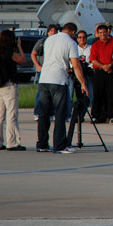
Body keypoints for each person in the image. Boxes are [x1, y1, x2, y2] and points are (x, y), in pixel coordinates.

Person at [36, 22, 88, 153]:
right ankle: (60, 145)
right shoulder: (70, 43)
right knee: (60, 113)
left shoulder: (49, 40)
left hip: (44, 79)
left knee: (44, 113)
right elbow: (75, 65)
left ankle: (42, 144)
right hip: (58, 80)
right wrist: (83, 83)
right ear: (72, 32)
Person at [0, 30, 27, 151]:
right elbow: (22, 60)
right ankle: (12, 142)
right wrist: (19, 46)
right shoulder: (9, 52)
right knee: (12, 114)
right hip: (9, 85)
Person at [90, 23, 113, 124]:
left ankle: (111, 115)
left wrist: (110, 66)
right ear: (97, 33)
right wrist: (104, 66)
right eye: (100, 32)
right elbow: (93, 59)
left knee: (111, 95)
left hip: (111, 71)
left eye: (104, 32)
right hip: (99, 72)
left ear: (108, 32)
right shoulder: (95, 44)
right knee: (98, 95)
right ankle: (97, 115)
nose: (103, 34)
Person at [31, 24, 59, 121]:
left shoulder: (59, 43)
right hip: (43, 71)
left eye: (55, 31)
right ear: (48, 32)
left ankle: (51, 113)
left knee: (53, 93)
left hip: (54, 71)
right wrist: (38, 66)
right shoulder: (42, 42)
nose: (53, 33)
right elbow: (33, 54)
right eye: (51, 31)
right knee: (41, 92)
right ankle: (38, 112)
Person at [76, 30, 94, 111]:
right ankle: (80, 114)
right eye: (80, 37)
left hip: (89, 73)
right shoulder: (74, 48)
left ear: (86, 38)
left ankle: (94, 114)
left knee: (91, 94)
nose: (82, 39)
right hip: (77, 74)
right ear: (77, 39)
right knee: (80, 96)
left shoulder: (91, 48)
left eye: (84, 37)